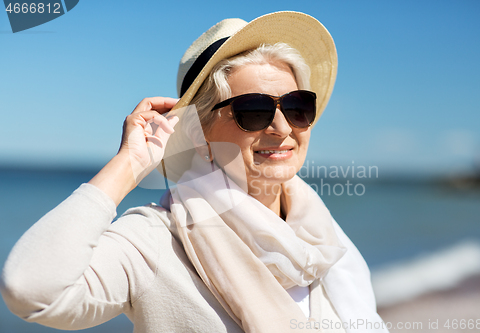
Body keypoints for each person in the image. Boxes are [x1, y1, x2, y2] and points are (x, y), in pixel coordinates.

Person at [1, 11, 388, 333]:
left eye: (296, 106)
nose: (283, 128)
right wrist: (130, 164)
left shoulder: (325, 240)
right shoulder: (156, 240)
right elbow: (32, 288)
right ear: (199, 134)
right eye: (253, 110)